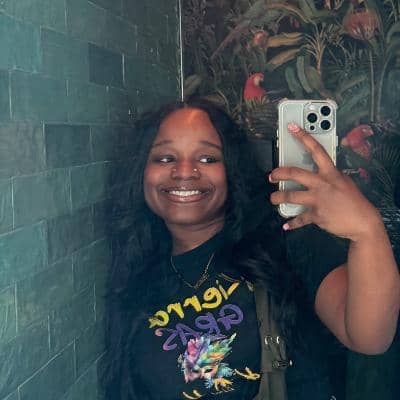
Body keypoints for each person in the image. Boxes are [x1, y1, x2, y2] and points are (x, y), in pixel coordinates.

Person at [102, 98, 400, 400]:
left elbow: (370, 337)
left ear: (231, 170)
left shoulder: (285, 241)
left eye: (207, 158)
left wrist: (367, 230)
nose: (184, 171)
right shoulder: (136, 270)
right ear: (142, 171)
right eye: (165, 158)